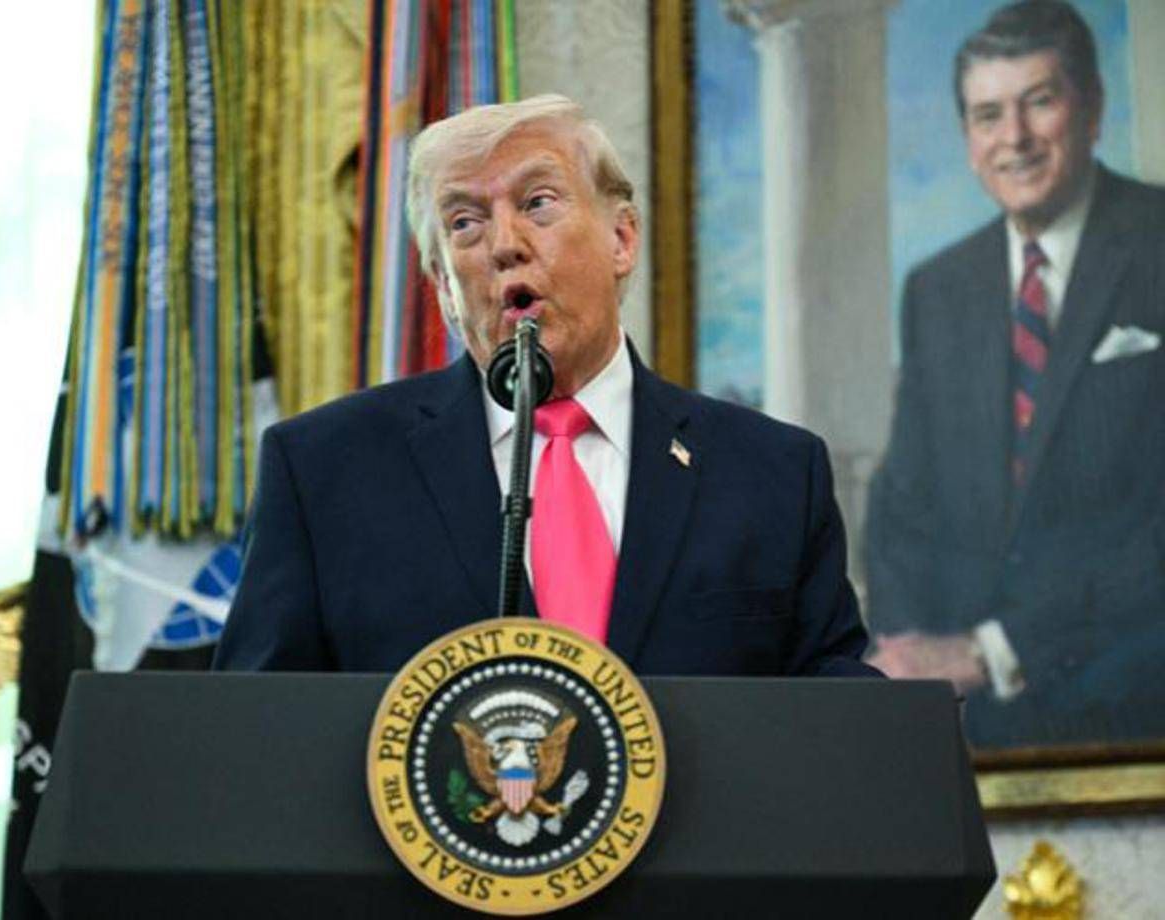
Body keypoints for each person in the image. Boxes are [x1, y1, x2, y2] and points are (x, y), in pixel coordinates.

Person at [214, 94, 876, 678]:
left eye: (538, 203)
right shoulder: (323, 471)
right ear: (444, 285)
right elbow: (257, 732)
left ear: (621, 239)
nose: (505, 243)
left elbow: (837, 723)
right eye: (464, 223)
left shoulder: (774, 473)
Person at [866, 1, 1165, 748]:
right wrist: (910, 664)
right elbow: (904, 506)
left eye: (1040, 101)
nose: (1016, 138)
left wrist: (994, 651)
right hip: (969, 726)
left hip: (1136, 704)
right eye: (988, 115)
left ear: (1092, 109)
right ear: (969, 140)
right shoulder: (937, 288)